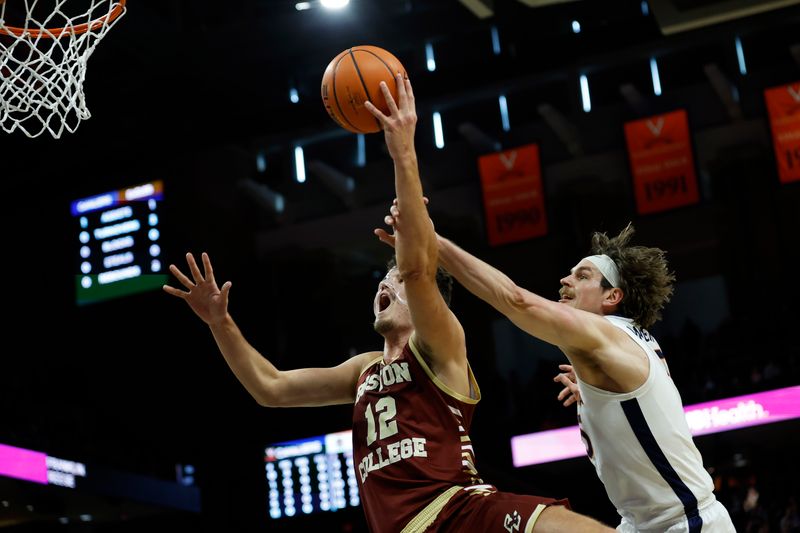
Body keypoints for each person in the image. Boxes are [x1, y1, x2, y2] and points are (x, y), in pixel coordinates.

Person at [164, 75, 613, 532]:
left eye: (392, 278)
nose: (384, 283)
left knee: (562, 525)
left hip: (458, 508)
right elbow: (271, 388)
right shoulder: (363, 370)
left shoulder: (439, 343)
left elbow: (419, 270)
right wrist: (219, 322)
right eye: (382, 277)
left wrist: (402, 149)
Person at [376, 214, 735, 532]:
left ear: (612, 297)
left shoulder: (606, 336)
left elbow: (515, 300)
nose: (565, 280)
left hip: (686, 524)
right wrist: (596, 393)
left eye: (582, 276)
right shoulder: (627, 345)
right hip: (645, 524)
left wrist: (431, 242)